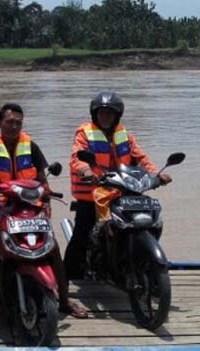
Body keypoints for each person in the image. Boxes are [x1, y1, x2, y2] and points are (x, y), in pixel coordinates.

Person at [0, 103, 88, 327]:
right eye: (9, 122)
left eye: (18, 122)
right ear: (0, 124)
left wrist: (46, 203)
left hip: (29, 207)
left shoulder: (31, 146)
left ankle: (64, 299)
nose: (14, 126)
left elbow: (42, 179)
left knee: (53, 248)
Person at [64, 91, 172, 279]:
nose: (105, 117)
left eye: (110, 113)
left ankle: (144, 264)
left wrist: (157, 174)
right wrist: (86, 171)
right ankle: (69, 277)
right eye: (102, 113)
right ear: (95, 114)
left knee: (150, 220)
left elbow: (141, 158)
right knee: (83, 231)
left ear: (117, 116)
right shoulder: (84, 133)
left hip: (123, 190)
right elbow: (77, 157)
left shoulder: (125, 135)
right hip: (94, 193)